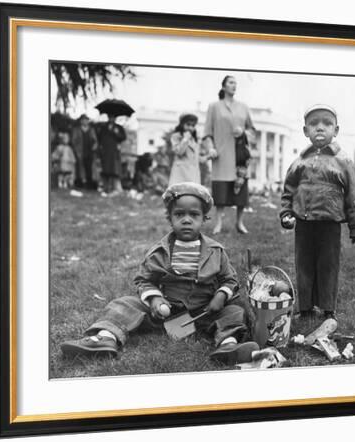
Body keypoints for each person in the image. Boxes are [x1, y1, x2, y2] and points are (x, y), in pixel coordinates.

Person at [61, 182, 258, 365]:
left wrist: (221, 295)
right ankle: (105, 338)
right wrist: (155, 300)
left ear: (204, 219)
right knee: (124, 304)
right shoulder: (160, 251)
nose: (187, 220)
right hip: (166, 311)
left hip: (206, 311)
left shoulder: (216, 251)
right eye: (179, 215)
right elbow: (144, 280)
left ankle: (228, 344)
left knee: (235, 311)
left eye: (194, 215)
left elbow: (229, 279)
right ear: (170, 219)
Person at [279, 104, 355, 320]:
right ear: (305, 131)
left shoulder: (342, 161)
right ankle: (305, 308)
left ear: (335, 130)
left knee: (328, 266)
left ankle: (328, 310)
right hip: (304, 224)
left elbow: (352, 194)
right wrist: (286, 212)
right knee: (304, 265)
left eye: (326, 124)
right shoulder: (299, 162)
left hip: (330, 224)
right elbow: (288, 190)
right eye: (314, 124)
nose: (320, 128)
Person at [203, 75, 255, 234]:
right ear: (224, 86)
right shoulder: (214, 106)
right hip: (221, 154)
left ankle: (239, 223)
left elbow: (252, 130)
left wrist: (243, 132)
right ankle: (218, 223)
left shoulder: (243, 107)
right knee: (221, 189)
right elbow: (207, 132)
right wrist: (210, 148)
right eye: (231, 83)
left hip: (240, 155)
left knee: (241, 189)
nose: (234, 86)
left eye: (235, 83)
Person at [169, 113, 210, 185]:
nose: (190, 128)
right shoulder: (176, 136)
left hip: (193, 176)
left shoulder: (194, 140)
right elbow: (179, 152)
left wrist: (209, 156)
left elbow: (197, 159)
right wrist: (185, 139)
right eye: (188, 124)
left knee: (192, 195)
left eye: (193, 125)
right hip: (180, 176)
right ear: (182, 124)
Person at [98, 113, 126, 194]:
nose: (111, 119)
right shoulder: (103, 127)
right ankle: (105, 187)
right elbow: (100, 137)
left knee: (114, 170)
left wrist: (116, 132)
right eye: (110, 117)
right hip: (105, 151)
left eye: (113, 117)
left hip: (114, 151)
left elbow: (123, 137)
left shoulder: (118, 128)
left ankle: (114, 188)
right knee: (105, 169)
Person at [71, 114, 98, 189]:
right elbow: (73, 141)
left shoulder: (91, 130)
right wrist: (76, 150)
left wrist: (94, 146)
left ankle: (89, 183)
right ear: (80, 121)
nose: (85, 121)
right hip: (80, 151)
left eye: (86, 120)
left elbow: (95, 141)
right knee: (80, 168)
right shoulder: (76, 129)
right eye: (83, 120)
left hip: (90, 152)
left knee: (89, 168)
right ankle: (79, 183)